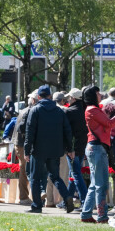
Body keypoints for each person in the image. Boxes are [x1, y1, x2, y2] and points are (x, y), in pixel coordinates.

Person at [79, 85, 115, 224]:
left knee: (95, 184)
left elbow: (107, 124)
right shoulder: (92, 110)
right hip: (97, 148)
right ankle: (102, 216)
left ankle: (86, 214)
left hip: (95, 148)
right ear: (92, 95)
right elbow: (109, 124)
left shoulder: (93, 109)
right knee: (101, 185)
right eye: (97, 93)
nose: (100, 94)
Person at [24, 85, 75, 214]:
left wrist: (27, 150)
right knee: (55, 176)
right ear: (50, 96)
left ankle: (37, 205)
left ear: (38, 96)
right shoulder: (59, 111)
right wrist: (69, 148)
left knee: (35, 177)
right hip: (55, 150)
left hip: (38, 150)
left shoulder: (35, 110)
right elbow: (67, 131)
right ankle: (67, 196)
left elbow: (29, 131)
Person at [11, 93, 37, 205]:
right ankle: (23, 197)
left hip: (20, 143)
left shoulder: (25, 110)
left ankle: (25, 196)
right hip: (22, 144)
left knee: (25, 169)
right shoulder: (29, 111)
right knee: (25, 169)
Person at [64, 88, 88, 205]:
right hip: (83, 145)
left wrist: (69, 148)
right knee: (73, 175)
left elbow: (68, 132)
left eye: (69, 97)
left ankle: (85, 201)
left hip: (72, 148)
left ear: (73, 98)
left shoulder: (69, 111)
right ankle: (67, 201)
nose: (68, 99)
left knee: (76, 174)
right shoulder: (85, 110)